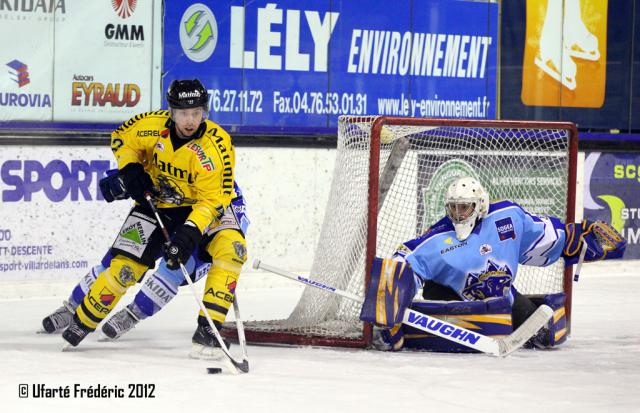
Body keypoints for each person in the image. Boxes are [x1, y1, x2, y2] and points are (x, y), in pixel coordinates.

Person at [58, 79, 246, 360]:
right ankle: (83, 320)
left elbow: (213, 201)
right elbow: (121, 138)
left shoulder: (217, 146)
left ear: (205, 111)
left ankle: (208, 331)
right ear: (171, 111)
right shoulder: (150, 125)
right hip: (155, 203)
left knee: (233, 249)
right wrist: (130, 167)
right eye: (183, 113)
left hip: (201, 209)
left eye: (196, 112)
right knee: (124, 269)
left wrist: (188, 234)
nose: (190, 120)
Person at [360, 176, 626, 351]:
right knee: (435, 295)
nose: (457, 213)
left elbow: (545, 236)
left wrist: (577, 238)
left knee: (545, 336)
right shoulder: (439, 237)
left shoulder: (507, 217)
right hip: (454, 300)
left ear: (480, 205)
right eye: (453, 207)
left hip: (502, 298)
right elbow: (405, 258)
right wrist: (389, 308)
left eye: (464, 207)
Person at [41, 182, 248, 346]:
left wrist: (217, 253)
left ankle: (133, 314)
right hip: (160, 216)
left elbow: (232, 231)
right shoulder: (170, 157)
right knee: (116, 263)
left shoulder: (222, 185)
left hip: (193, 238)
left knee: (173, 271)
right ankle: (71, 308)